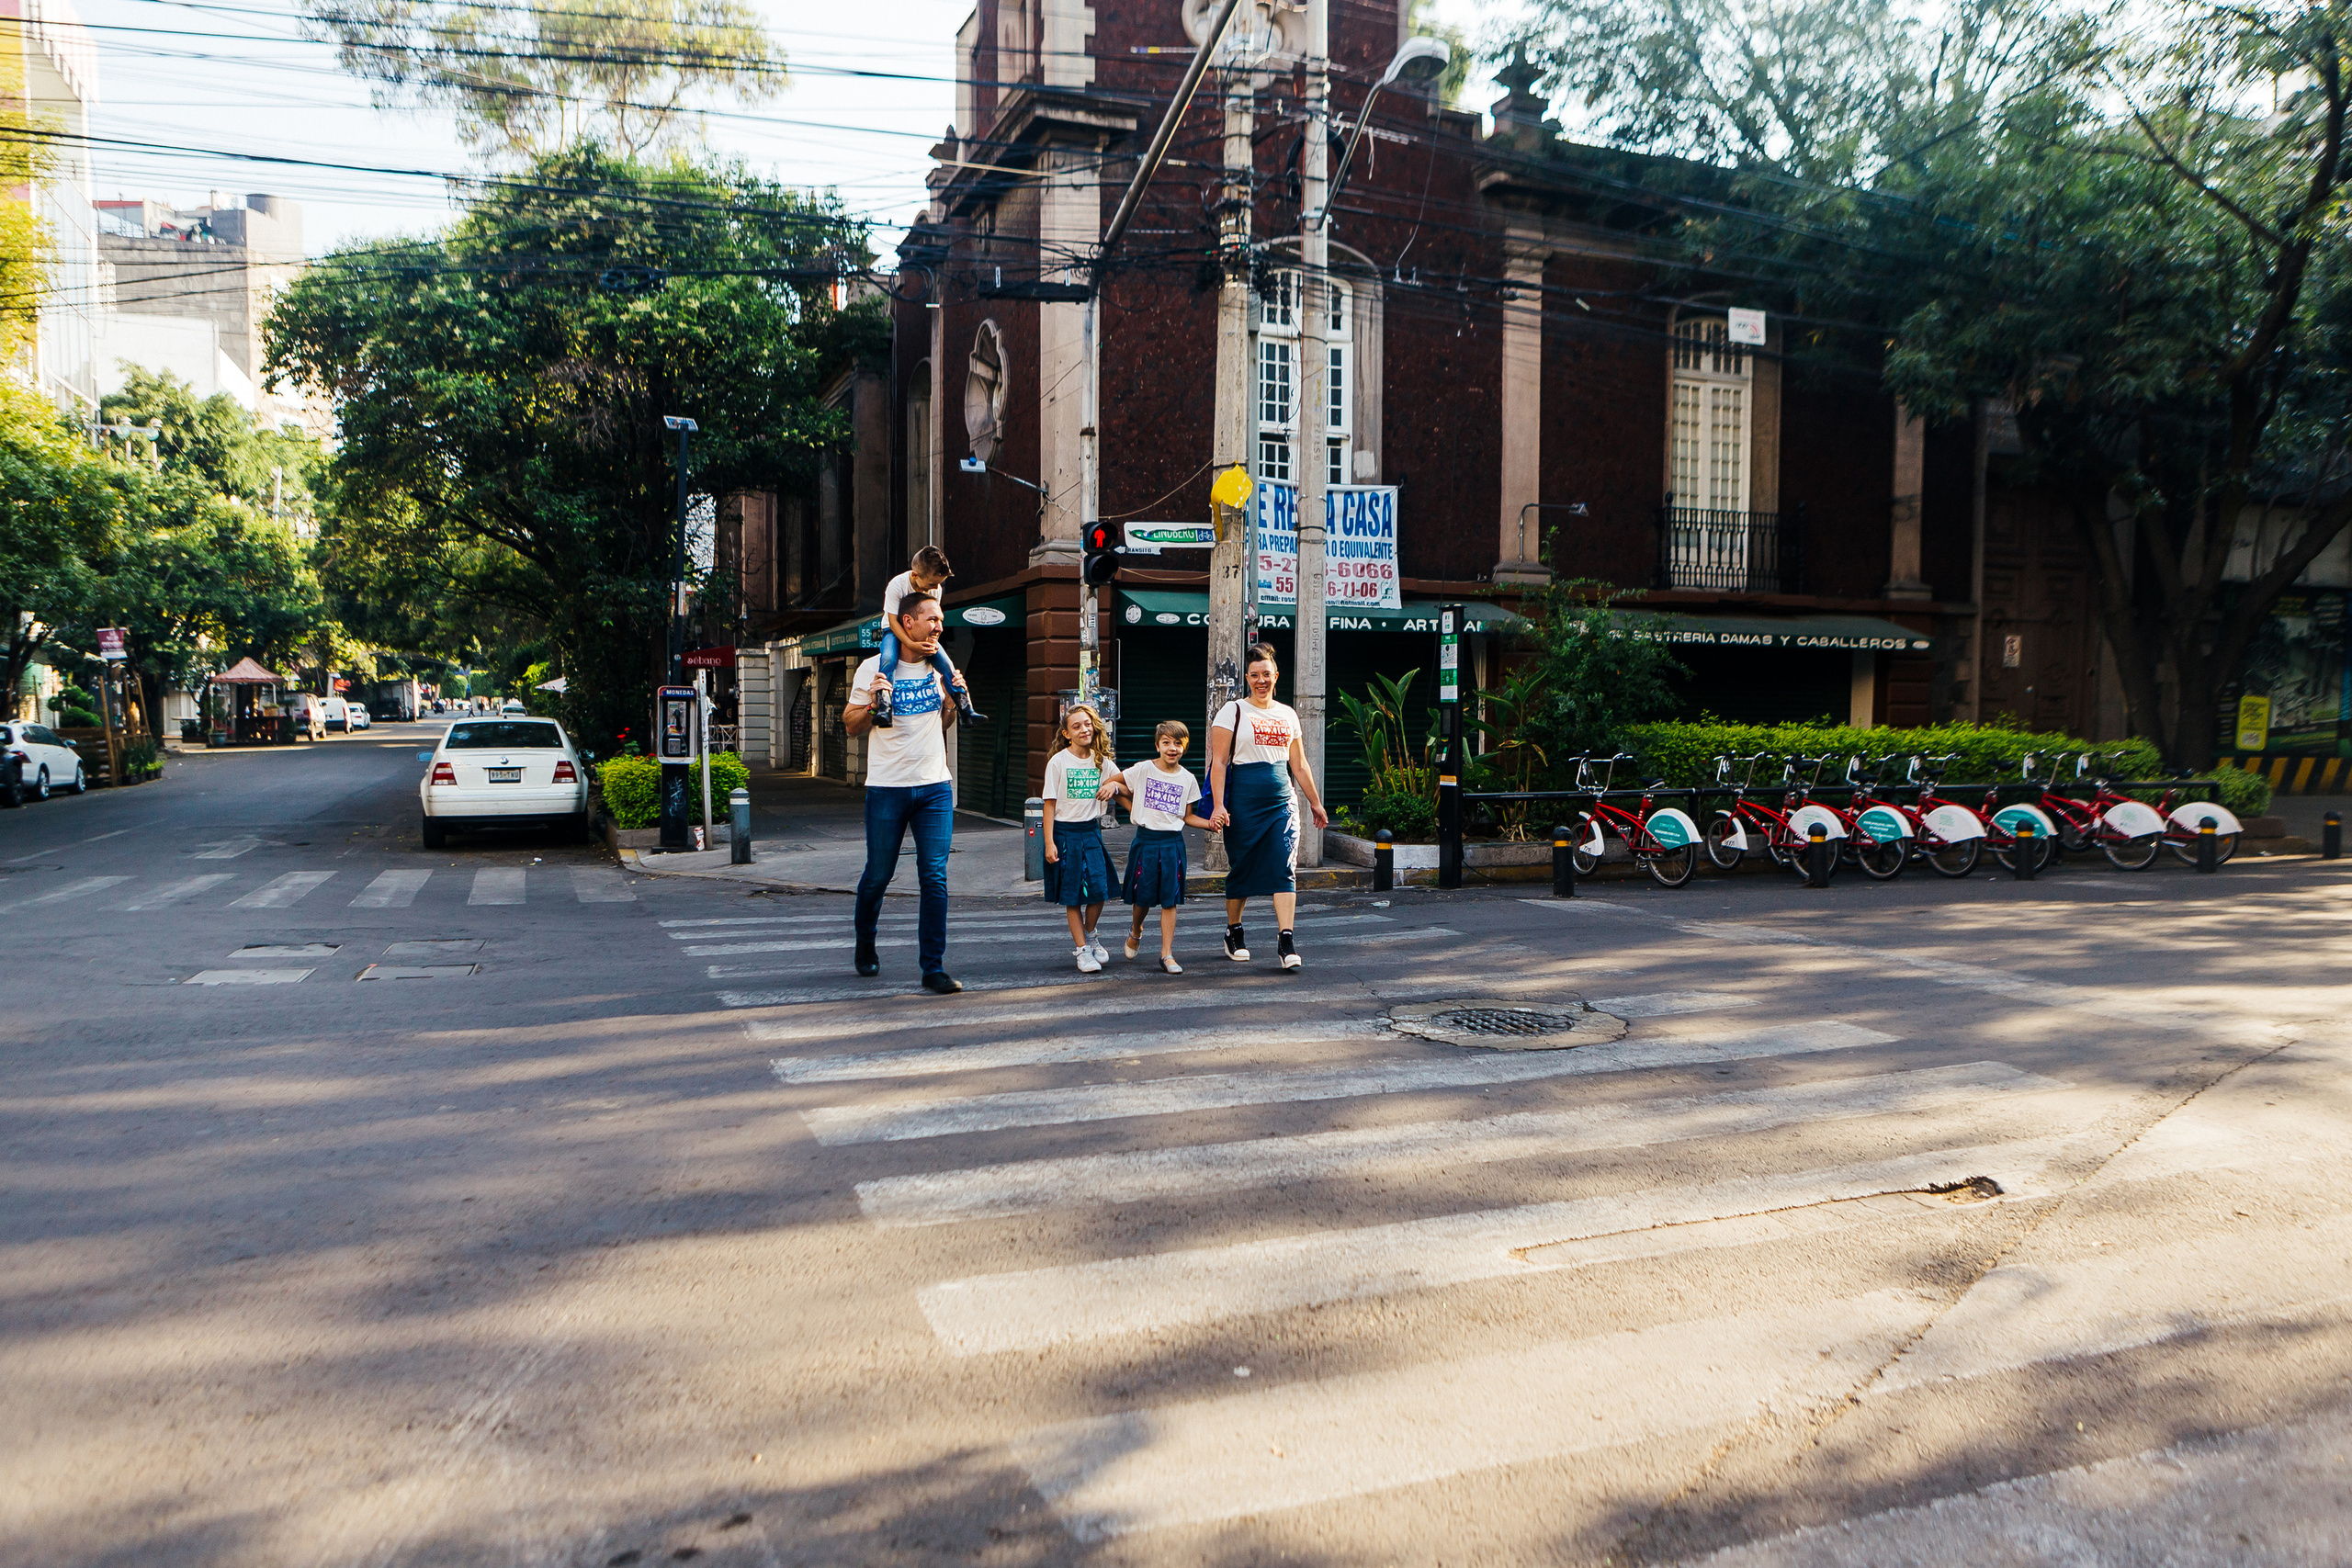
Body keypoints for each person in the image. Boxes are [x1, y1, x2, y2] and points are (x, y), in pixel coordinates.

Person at [842, 591, 968, 994]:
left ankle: (933, 968)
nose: (939, 627)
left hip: (934, 787)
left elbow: (944, 725)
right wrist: (873, 702)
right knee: (878, 875)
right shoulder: (873, 668)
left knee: (934, 877)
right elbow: (850, 726)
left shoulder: (940, 670)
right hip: (886, 788)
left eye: (941, 621)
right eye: (932, 619)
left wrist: (951, 701)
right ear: (908, 622)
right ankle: (866, 941)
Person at [1207, 643, 1329, 971]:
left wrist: (1315, 803)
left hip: (1281, 803)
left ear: (1276, 676)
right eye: (1255, 675)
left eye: (1267, 674)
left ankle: (1286, 940)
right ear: (1247, 678)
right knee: (1242, 868)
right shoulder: (1232, 711)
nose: (1261, 680)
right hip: (1243, 803)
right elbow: (1218, 762)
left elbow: (1300, 764)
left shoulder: (1287, 714)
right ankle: (1234, 931)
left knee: (1283, 867)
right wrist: (1218, 805)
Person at [1119, 719, 1214, 974]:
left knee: (1169, 899)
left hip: (1172, 843)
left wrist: (1210, 824)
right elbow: (1114, 784)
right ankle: (1136, 929)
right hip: (1146, 840)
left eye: (1178, 743)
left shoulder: (1188, 779)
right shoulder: (1144, 769)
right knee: (1143, 896)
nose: (1172, 748)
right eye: (1166, 743)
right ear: (1157, 745)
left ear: (1185, 746)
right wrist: (1133, 808)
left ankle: (1167, 954)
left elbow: (1187, 816)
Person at [1041, 702, 1124, 972]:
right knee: (1073, 896)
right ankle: (1082, 950)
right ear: (1066, 733)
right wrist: (1049, 842)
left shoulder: (1103, 762)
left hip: (1091, 832)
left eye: (1087, 724)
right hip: (1065, 834)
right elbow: (1049, 804)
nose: (1083, 730)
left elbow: (1125, 784)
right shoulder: (1058, 762)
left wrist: (1112, 785)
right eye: (1076, 726)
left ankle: (1091, 933)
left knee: (1100, 890)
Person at [876, 545, 985, 723]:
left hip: (922, 632)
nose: (934, 588)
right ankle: (884, 705)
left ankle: (965, 707)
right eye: (930, 584)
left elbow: (932, 617)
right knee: (888, 658)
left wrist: (930, 640)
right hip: (893, 629)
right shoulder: (896, 586)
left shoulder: (936, 589)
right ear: (915, 575)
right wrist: (911, 645)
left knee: (947, 664)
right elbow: (893, 621)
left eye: (938, 584)